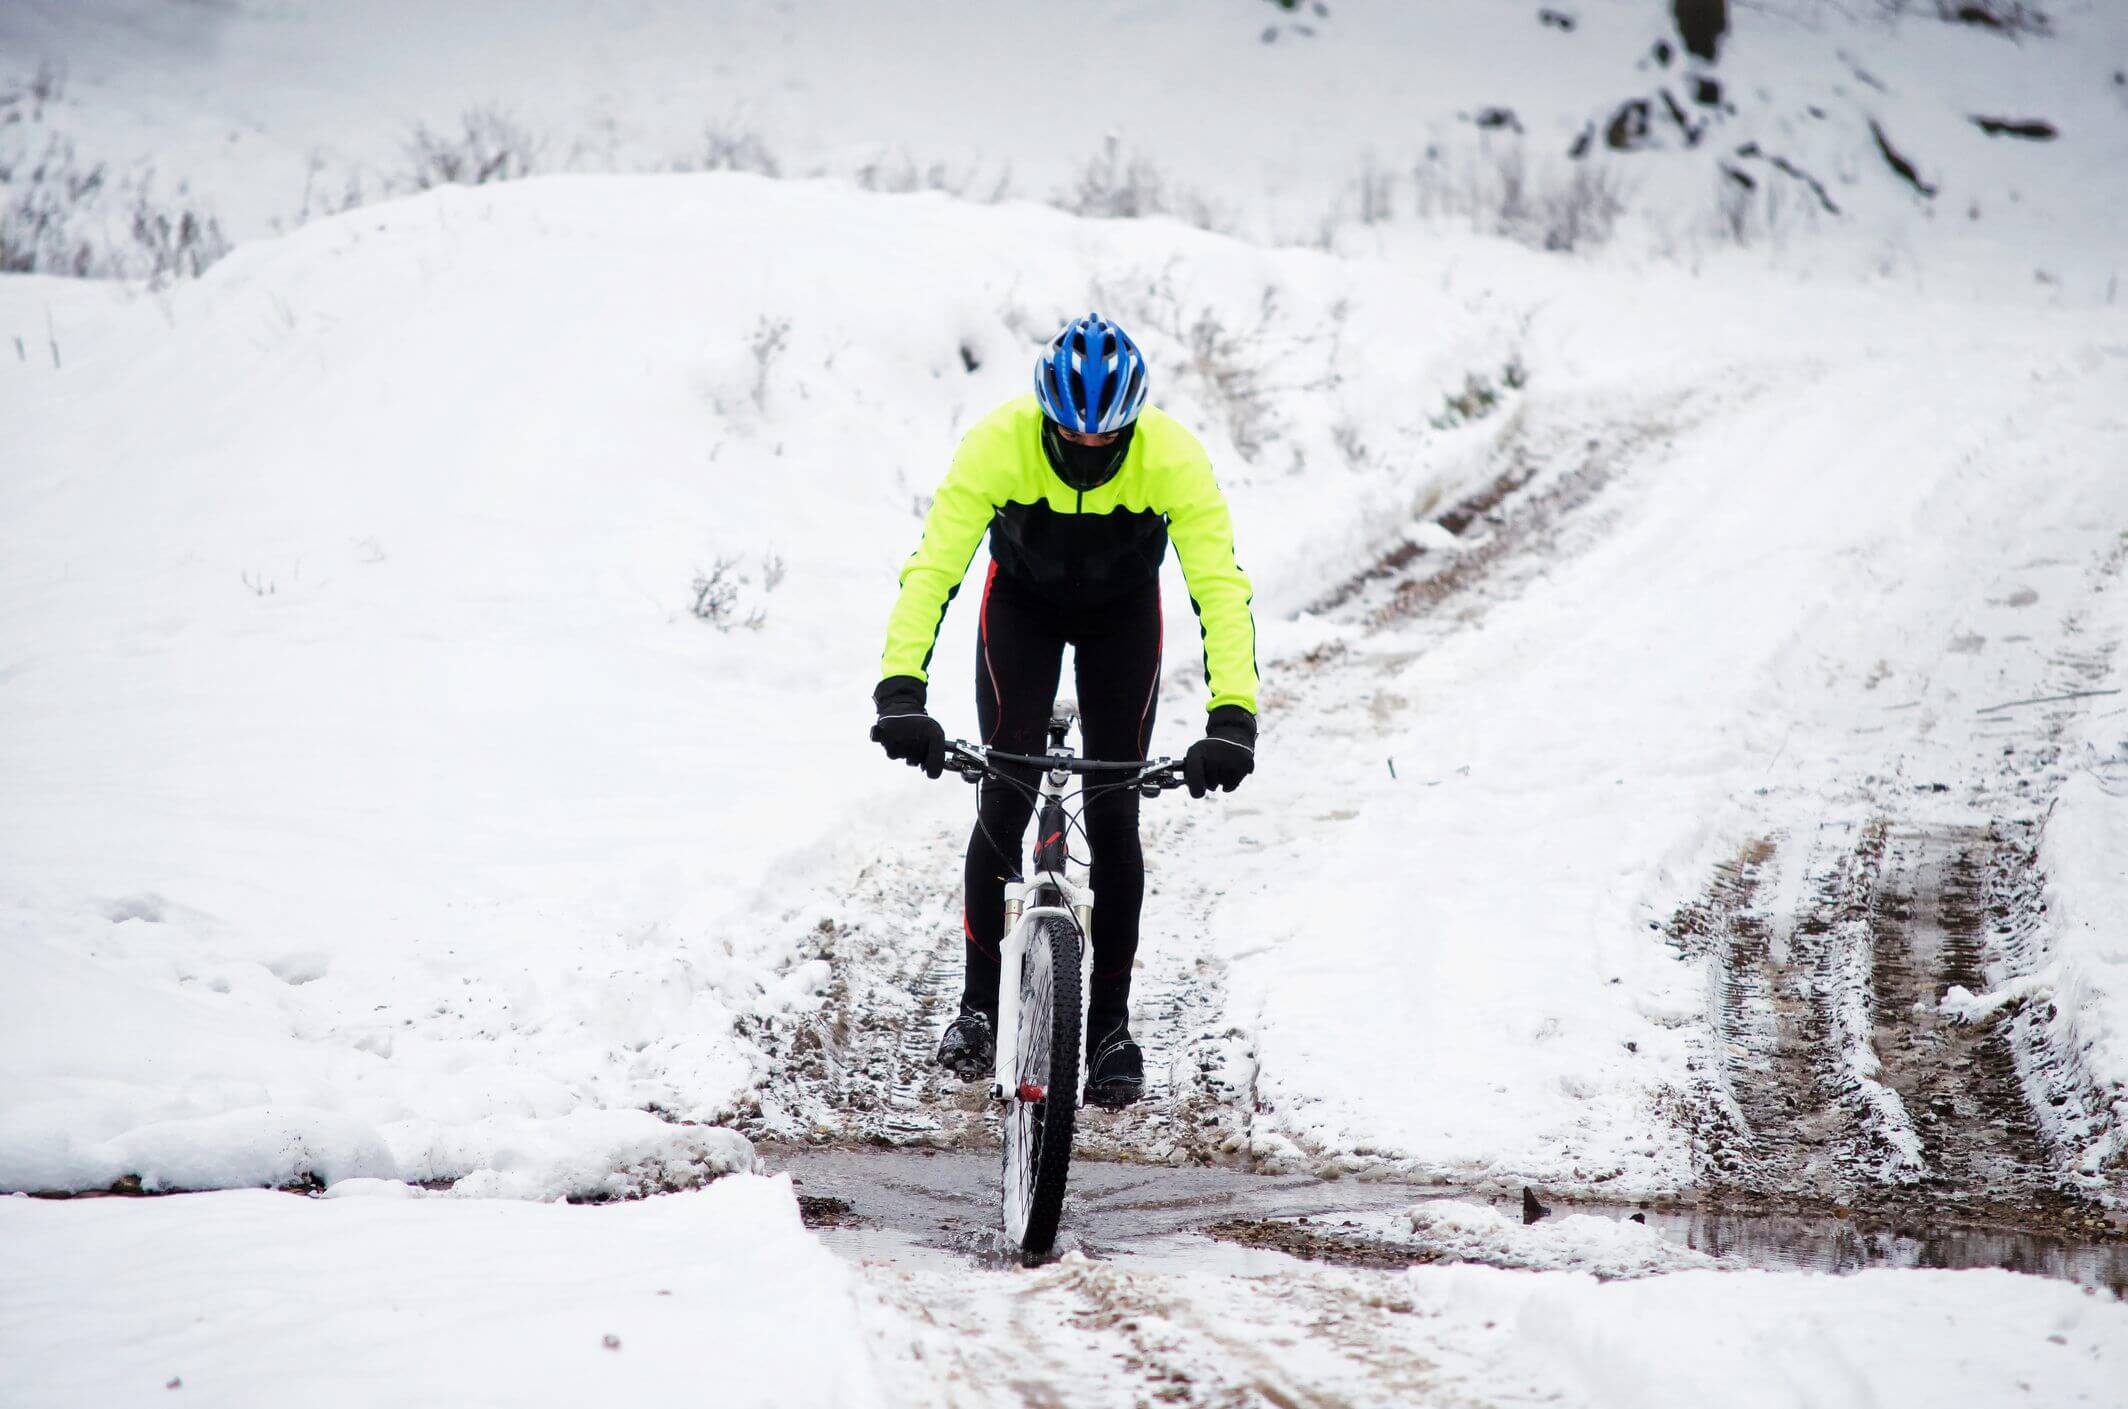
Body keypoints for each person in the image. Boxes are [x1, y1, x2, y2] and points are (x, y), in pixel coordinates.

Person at [869, 313, 1259, 1109]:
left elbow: (1220, 586)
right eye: (1070, 433)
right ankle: (978, 1008)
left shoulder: (1172, 456)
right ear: (1045, 416)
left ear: (1131, 425)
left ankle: (1109, 1029)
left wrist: (1232, 716)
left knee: (1114, 814)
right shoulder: (998, 442)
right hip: (1024, 607)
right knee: (1006, 791)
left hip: (1123, 617)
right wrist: (901, 691)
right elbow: (933, 567)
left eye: (1104, 437)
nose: (1087, 446)